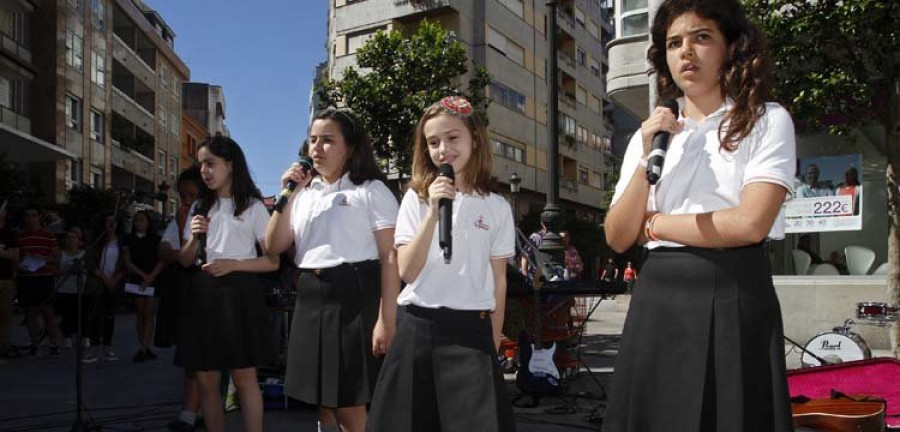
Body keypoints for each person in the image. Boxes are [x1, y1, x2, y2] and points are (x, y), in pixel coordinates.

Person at [602, 0, 795, 430]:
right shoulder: (650, 134)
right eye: (674, 43)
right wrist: (643, 161)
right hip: (656, 299)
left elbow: (749, 223)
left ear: (731, 47)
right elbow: (616, 236)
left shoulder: (766, 120)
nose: (685, 52)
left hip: (732, 292)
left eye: (701, 37)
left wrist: (654, 224)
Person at [366, 96, 516, 432]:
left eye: (452, 138)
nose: (443, 149)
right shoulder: (415, 199)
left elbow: (499, 281)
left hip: (472, 332)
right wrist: (433, 213)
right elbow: (407, 270)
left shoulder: (497, 207)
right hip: (419, 328)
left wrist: (491, 344)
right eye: (433, 142)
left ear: (474, 139)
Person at [265, 108, 400, 432]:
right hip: (311, 298)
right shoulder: (304, 194)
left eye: (328, 140)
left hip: (354, 298)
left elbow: (390, 257)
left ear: (350, 147)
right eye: (313, 140)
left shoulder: (370, 190)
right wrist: (289, 194)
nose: (317, 148)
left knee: (349, 406)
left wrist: (387, 319)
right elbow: (273, 245)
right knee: (323, 401)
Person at [176, 135, 278, 432]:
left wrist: (234, 265)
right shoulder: (198, 206)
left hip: (240, 295)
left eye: (210, 164)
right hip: (203, 295)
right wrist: (194, 237)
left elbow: (273, 261)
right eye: (201, 165)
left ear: (230, 165)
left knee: (244, 378)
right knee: (207, 381)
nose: (204, 171)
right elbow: (184, 261)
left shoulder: (253, 207)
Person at [160, 166, 204, 432]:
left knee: (201, 356)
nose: (187, 202)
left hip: (205, 289)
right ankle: (190, 411)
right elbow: (164, 251)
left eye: (191, 195)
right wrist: (181, 252)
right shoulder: (177, 220)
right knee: (189, 354)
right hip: (184, 291)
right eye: (183, 196)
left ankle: (197, 409)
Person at [16, 205, 61, 356]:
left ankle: (54, 344)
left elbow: (56, 258)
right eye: (28, 216)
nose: (31, 219)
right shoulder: (20, 236)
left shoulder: (48, 236)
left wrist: (42, 259)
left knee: (48, 311)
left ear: (39, 217)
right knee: (30, 312)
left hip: (44, 276)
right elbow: (16, 257)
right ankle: (34, 343)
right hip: (26, 277)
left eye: (34, 215)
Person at [122, 210, 164, 362]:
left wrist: (150, 277)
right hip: (136, 279)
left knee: (149, 313)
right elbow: (127, 262)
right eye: (136, 221)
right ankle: (142, 345)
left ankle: (145, 346)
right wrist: (142, 276)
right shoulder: (128, 239)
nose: (138, 223)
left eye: (141, 220)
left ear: (148, 223)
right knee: (140, 313)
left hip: (152, 280)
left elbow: (161, 261)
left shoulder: (156, 239)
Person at [82, 213, 124, 363]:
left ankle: (108, 348)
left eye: (114, 222)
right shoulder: (97, 242)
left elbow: (124, 264)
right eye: (108, 221)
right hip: (97, 284)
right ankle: (93, 349)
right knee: (94, 316)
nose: (111, 225)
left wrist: (115, 279)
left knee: (109, 316)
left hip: (113, 284)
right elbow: (90, 263)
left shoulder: (120, 243)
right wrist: (104, 278)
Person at [56, 227, 85, 350]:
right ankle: (66, 336)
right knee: (67, 314)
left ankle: (81, 336)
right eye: (68, 238)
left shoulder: (84, 254)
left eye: (73, 238)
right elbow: (55, 270)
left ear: (78, 241)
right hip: (64, 288)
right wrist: (67, 270)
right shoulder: (60, 254)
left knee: (80, 314)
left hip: (80, 289)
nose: (70, 240)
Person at [0, 203, 19, 361]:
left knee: (6, 315)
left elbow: (15, 256)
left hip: (6, 279)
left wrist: (3, 253)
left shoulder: (9, 233)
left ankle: (4, 347)